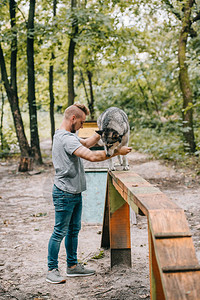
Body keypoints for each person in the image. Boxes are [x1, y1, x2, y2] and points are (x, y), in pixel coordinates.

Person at [46, 103, 132, 284]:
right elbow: (92, 156)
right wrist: (116, 151)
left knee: (73, 230)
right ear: (73, 119)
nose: (83, 126)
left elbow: (86, 142)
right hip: (64, 192)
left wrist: (104, 130)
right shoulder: (66, 139)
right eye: (82, 122)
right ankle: (52, 269)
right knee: (59, 231)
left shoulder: (69, 135)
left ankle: (72, 266)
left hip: (74, 191)